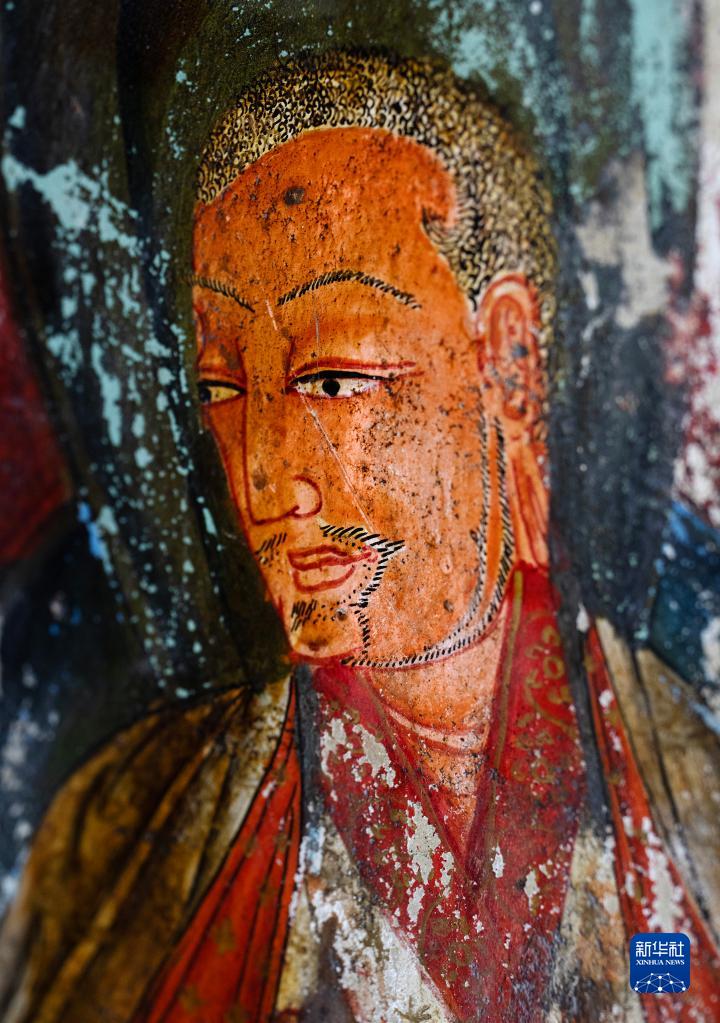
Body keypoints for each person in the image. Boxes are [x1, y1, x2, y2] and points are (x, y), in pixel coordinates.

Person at [1, 51, 719, 1023]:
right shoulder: (123, 837)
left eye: (333, 379)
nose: (265, 476)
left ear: (508, 361)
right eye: (221, 387)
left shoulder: (694, 796)